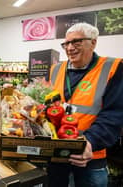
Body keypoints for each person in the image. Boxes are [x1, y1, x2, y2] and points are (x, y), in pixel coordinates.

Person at [48, 22, 123, 187]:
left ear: (93, 42)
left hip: (90, 156)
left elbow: (115, 114)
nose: (70, 48)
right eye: (66, 43)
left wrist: (89, 142)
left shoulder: (112, 68)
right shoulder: (55, 69)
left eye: (76, 42)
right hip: (57, 154)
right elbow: (47, 106)